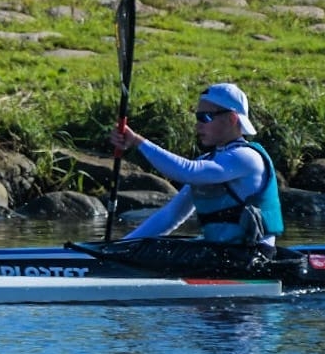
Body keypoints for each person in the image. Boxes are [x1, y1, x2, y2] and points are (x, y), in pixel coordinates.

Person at [109, 82, 284, 246]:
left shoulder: (246, 157)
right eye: (197, 117)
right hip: (223, 255)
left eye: (205, 117)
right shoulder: (207, 161)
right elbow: (170, 216)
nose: (198, 125)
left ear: (231, 119)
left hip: (253, 259)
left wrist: (138, 142)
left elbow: (187, 171)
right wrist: (122, 246)